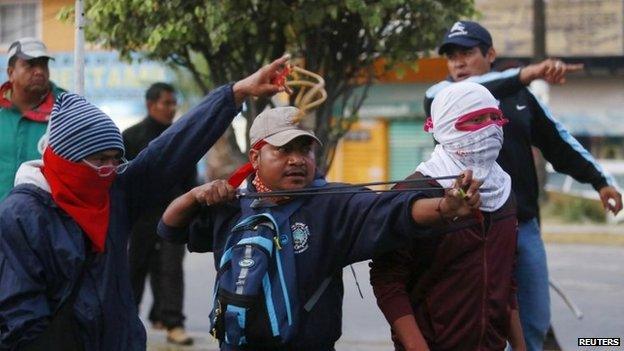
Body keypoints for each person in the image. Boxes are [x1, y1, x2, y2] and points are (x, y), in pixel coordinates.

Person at [0, 56, 290, 350]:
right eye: (100, 161)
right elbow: (21, 317)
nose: (109, 170)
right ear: (66, 160)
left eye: (116, 160)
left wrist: (235, 93)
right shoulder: (22, 216)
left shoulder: (114, 190)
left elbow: (171, 149)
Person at [158, 106, 483, 351]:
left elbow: (392, 210)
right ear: (256, 157)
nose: (297, 160)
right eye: (284, 150)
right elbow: (169, 229)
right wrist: (194, 196)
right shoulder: (230, 204)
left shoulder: (333, 203)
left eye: (305, 150)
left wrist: (445, 207)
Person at [424, 21, 623, 351]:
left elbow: (559, 142)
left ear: (491, 54)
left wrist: (601, 181)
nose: (458, 62)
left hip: (523, 226)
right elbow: (479, 86)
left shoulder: (519, 96)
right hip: (467, 229)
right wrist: (528, 72)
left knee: (533, 324)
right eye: (451, 56)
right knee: (475, 324)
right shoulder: (440, 97)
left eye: (467, 53)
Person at [370, 81, 525, 351]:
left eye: (495, 118)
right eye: (476, 120)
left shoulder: (503, 190)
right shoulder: (414, 192)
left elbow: (506, 282)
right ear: (445, 126)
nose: (489, 128)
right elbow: (388, 280)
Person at [122, 83, 195, 345]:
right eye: (167, 103)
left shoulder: (181, 137)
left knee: (171, 270)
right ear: (151, 104)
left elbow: (190, 180)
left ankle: (174, 324)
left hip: (174, 216)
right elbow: (122, 179)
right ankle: (125, 321)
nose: (172, 108)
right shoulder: (130, 137)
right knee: (134, 269)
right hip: (140, 218)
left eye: (174, 103)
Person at [0, 37, 65, 200]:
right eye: (30, 64)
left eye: (43, 64)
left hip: (46, 219)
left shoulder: (66, 109)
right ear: (10, 73)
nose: (39, 71)